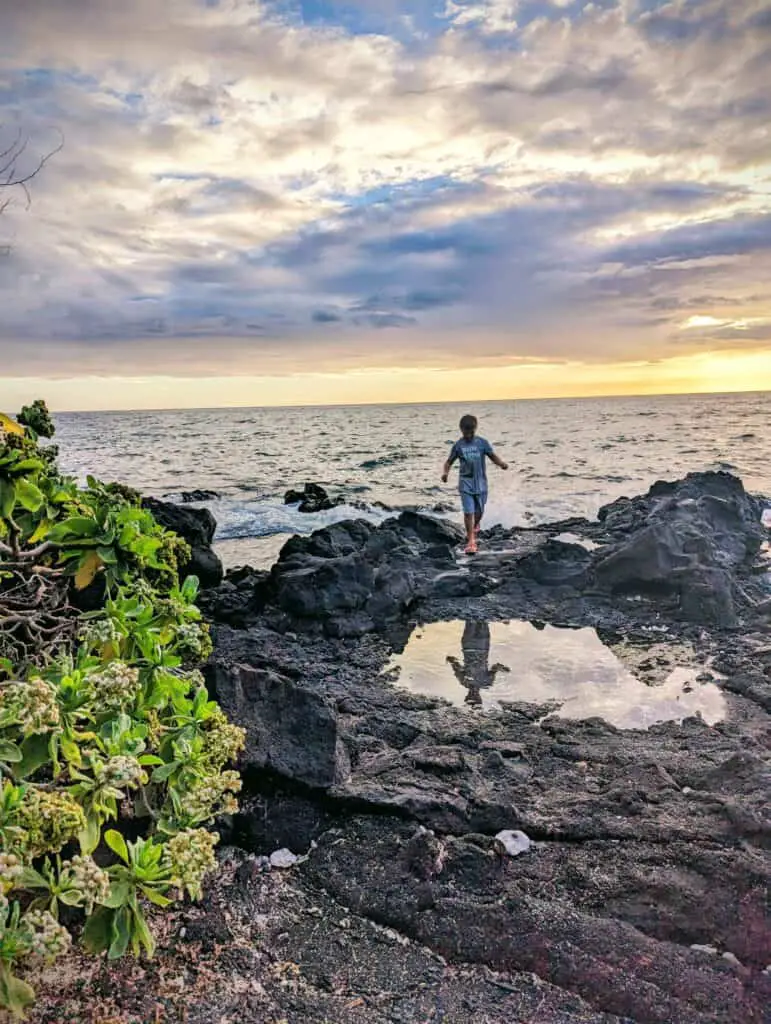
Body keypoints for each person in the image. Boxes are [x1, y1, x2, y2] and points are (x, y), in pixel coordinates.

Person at [441, 414, 508, 554]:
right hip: (465, 483)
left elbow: (492, 455)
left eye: (471, 432)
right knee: (468, 512)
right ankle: (471, 541)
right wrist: (445, 473)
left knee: (479, 511)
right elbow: (449, 462)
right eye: (466, 432)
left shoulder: (482, 443)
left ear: (475, 428)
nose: (468, 435)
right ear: (461, 430)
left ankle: (475, 525)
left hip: (481, 483)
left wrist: (501, 463)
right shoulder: (458, 445)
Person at [446, 620, 509, 706]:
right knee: (484, 620)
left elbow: (455, 665)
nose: (473, 694)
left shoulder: (464, 682)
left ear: (466, 695)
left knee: (470, 619)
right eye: (475, 697)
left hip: (468, 645)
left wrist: (451, 660)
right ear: (479, 697)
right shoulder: (486, 682)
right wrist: (503, 668)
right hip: (483, 646)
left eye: (470, 696)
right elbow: (495, 667)